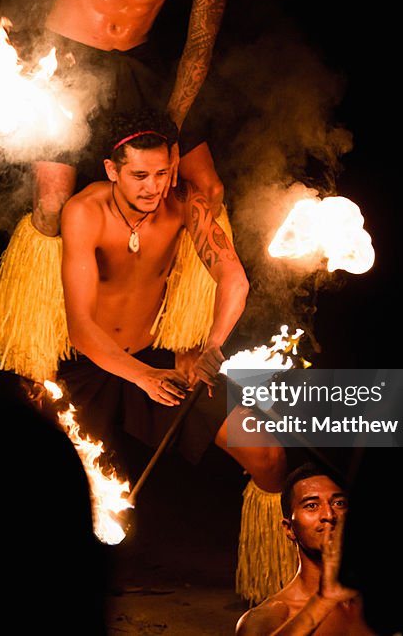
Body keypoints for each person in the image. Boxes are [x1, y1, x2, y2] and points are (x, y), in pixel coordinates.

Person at [58, 109, 293, 603]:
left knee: (268, 455)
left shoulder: (185, 204)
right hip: (89, 364)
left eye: (163, 173)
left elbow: (235, 279)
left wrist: (210, 346)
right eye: (139, 175)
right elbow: (81, 328)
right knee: (51, 485)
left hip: (157, 357)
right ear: (111, 169)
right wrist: (143, 376)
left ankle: (282, 582)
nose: (153, 187)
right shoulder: (84, 211)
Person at [0, 0, 234, 388]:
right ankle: (36, 347)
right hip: (67, 53)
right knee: (53, 208)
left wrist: (170, 136)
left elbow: (199, 47)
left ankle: (189, 339)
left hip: (141, 60)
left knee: (208, 186)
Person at [235, 463, 375, 635]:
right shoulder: (275, 614)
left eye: (339, 503)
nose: (329, 515)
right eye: (311, 505)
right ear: (289, 529)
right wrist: (322, 601)